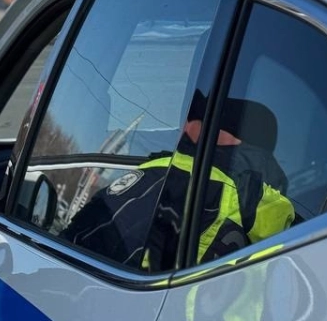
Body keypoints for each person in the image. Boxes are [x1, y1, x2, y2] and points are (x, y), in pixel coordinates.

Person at [61, 92, 293, 272]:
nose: (182, 127)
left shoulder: (170, 180)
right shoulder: (282, 209)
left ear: (219, 134)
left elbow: (75, 247)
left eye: (195, 119)